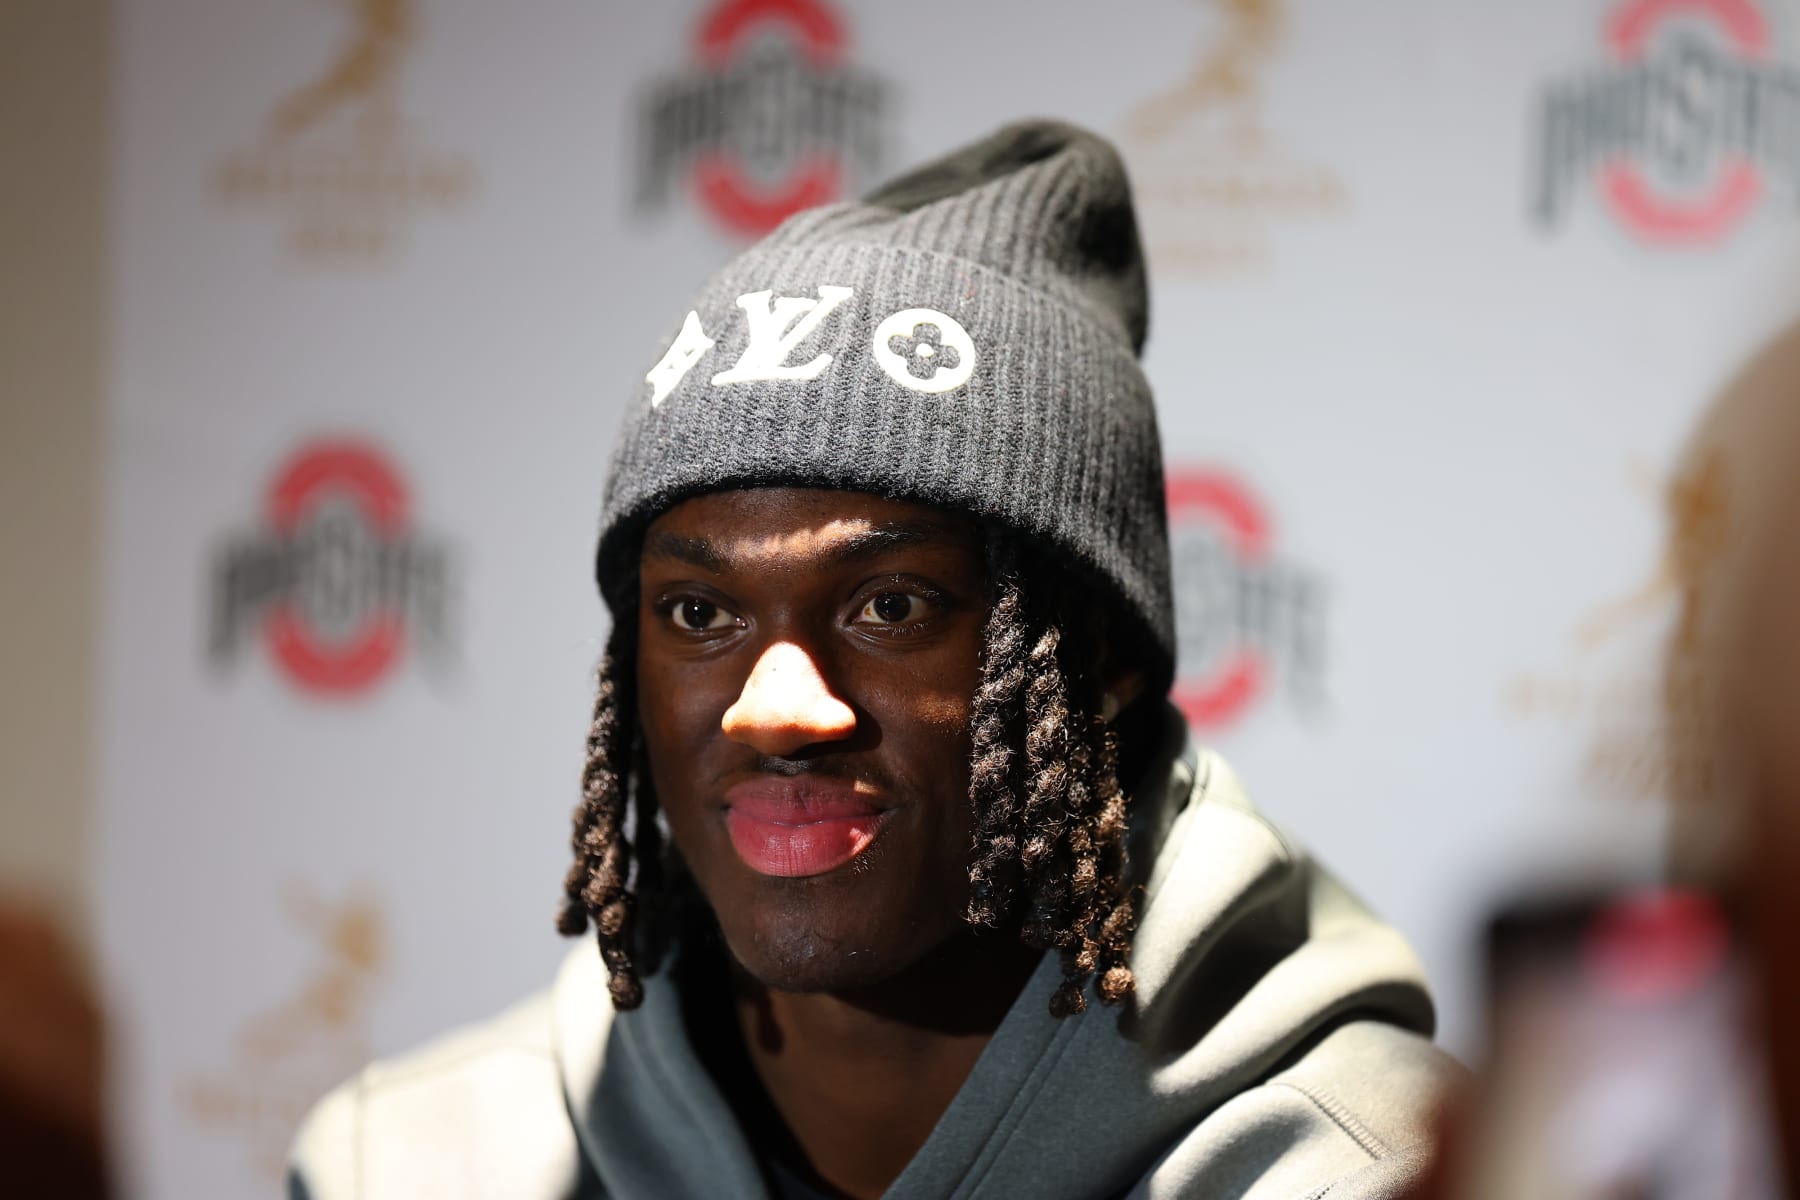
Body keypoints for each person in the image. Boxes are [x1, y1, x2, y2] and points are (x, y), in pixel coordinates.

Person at [289, 120, 1460, 1199]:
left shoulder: (1394, 1172)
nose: (775, 708)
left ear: (1099, 658)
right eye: (699, 614)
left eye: (890, 605)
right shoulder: (398, 1166)